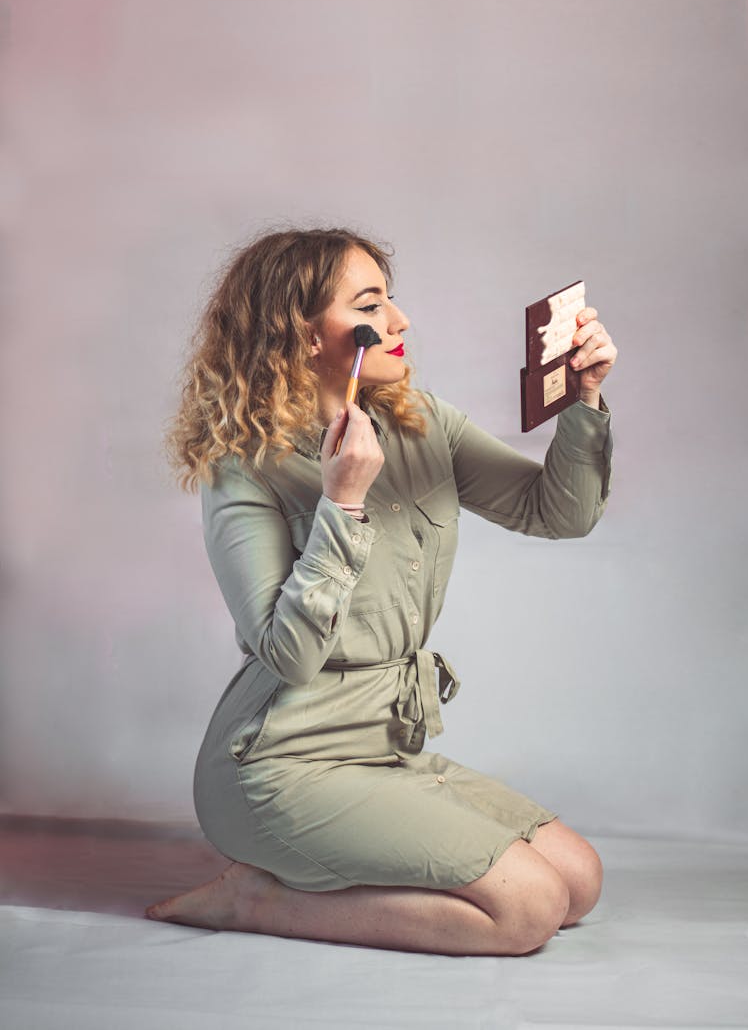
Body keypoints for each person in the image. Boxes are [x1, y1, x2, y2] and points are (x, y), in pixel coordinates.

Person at [146, 227, 617, 956]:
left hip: (384, 746)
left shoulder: (426, 424)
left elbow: (559, 512)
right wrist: (341, 504)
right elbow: (289, 655)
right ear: (304, 335)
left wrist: (582, 401)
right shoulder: (244, 467)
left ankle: (318, 877)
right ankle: (252, 898)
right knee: (528, 910)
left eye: (392, 300)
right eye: (372, 304)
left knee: (578, 881)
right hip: (280, 766)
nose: (399, 321)